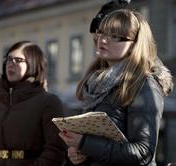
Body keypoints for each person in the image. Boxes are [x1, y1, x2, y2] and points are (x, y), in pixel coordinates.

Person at [59, 9, 173, 166]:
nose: (103, 40)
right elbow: (99, 148)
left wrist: (85, 143)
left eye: (115, 36)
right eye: (102, 33)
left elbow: (143, 152)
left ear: (134, 45)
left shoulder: (144, 83)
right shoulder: (96, 83)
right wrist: (77, 153)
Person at [0, 41, 65, 166]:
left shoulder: (48, 102)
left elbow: (55, 150)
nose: (10, 64)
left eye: (18, 60)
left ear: (33, 64)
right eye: (8, 59)